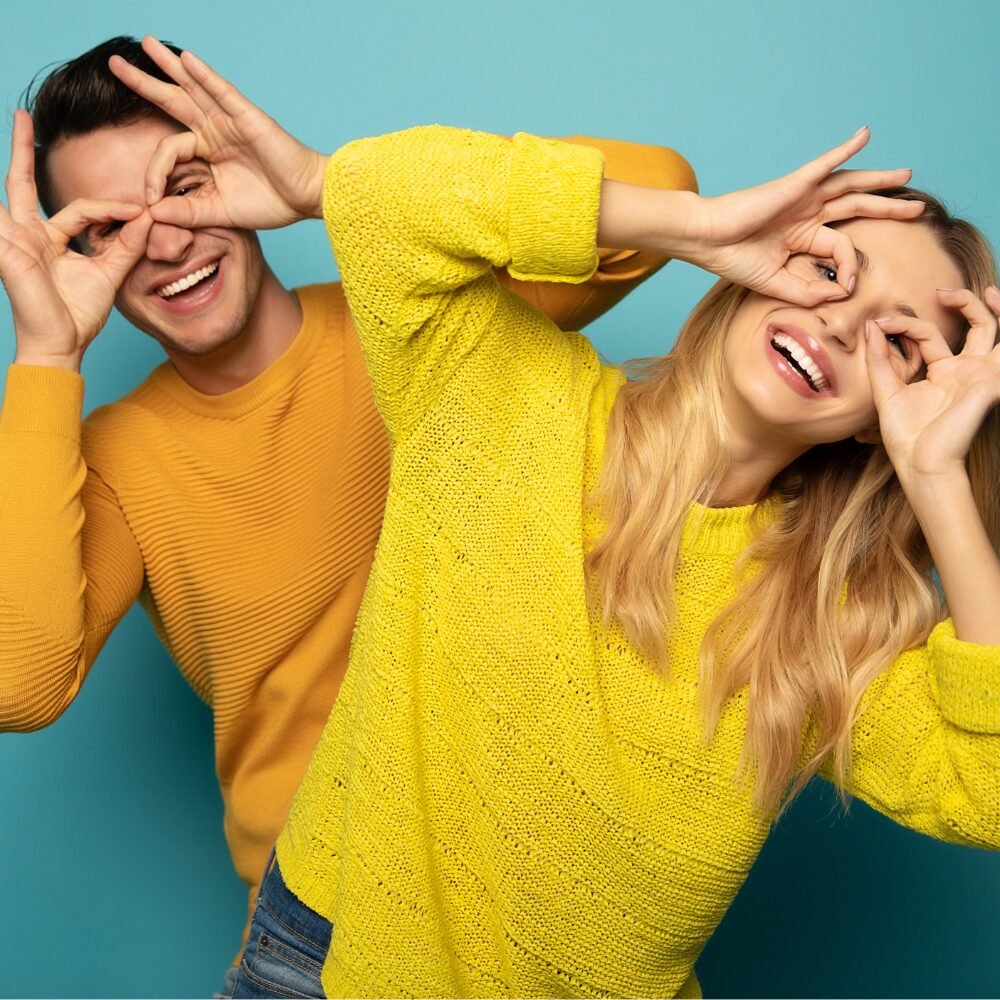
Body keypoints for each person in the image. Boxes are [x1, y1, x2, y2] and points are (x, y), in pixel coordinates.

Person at [45, 46, 1000, 1000]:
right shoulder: (500, 389)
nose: (841, 323)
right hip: (328, 967)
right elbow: (394, 208)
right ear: (767, 261)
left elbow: (987, 791)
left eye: (897, 338)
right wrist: (697, 225)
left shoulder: (828, 620)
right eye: (833, 270)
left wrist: (937, 477)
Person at [0, 35, 698, 990]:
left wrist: (332, 185)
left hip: (556, 897)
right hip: (323, 937)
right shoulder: (122, 457)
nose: (161, 242)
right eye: (106, 229)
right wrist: (46, 356)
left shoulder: (422, 311)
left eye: (180, 185)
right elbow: (18, 684)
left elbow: (656, 192)